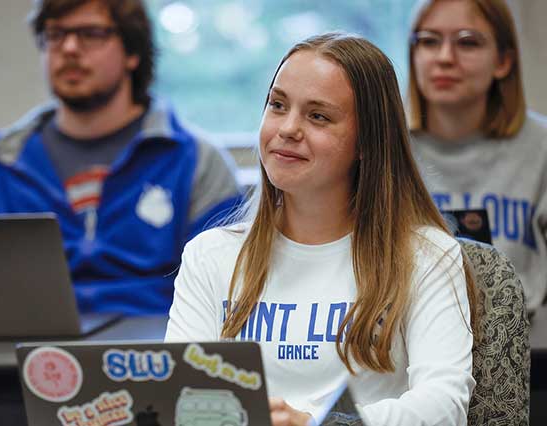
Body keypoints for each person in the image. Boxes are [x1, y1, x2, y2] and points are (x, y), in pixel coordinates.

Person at [165, 32, 479, 426]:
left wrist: (314, 423)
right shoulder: (209, 255)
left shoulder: (427, 256)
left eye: (318, 116)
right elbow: (180, 404)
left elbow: (445, 407)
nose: (288, 128)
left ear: (368, 141)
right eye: (278, 105)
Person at [0, 0, 242, 315]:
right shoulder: (0, 167)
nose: (70, 48)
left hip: (160, 352)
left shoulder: (198, 161)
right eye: (56, 34)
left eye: (91, 34)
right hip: (28, 354)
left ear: (132, 53)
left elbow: (225, 298)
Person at [407, 0, 547, 313]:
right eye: (429, 41)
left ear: (503, 61)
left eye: (467, 42)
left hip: (522, 344)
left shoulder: (542, 148)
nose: (445, 58)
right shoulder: (385, 146)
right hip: (409, 342)